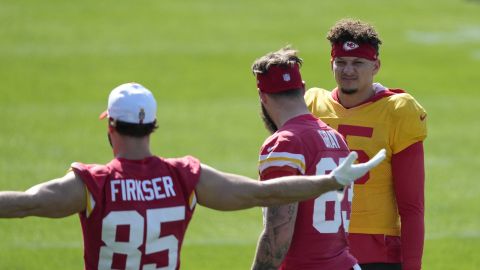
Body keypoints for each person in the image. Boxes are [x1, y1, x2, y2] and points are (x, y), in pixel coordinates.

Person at [0, 82, 386, 270]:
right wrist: (328, 181)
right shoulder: (185, 178)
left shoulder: (91, 185)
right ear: (153, 127)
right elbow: (261, 194)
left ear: (110, 128)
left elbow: (24, 204)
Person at [305, 18, 427, 270]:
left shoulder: (397, 110)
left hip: (376, 250)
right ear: (331, 64)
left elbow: (412, 205)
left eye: (358, 63)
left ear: (376, 66)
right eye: (341, 62)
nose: (348, 70)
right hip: (318, 246)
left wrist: (412, 265)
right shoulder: (313, 105)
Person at [250, 47, 369, 270]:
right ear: (302, 89)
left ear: (262, 97)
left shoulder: (284, 143)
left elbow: (279, 233)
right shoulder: (336, 138)